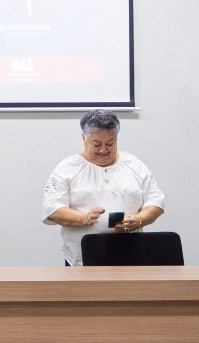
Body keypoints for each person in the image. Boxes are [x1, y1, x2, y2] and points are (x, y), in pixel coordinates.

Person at [42, 109, 166, 266]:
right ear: (83, 138)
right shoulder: (68, 168)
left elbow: (156, 201)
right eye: (96, 144)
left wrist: (140, 219)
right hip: (82, 260)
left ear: (117, 138)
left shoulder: (133, 164)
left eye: (110, 143)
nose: (103, 150)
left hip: (132, 255)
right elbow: (52, 209)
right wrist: (83, 218)